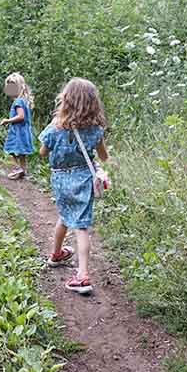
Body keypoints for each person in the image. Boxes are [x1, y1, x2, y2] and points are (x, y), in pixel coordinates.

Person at [38, 78, 109, 295]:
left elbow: (42, 152)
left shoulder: (54, 127)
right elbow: (104, 157)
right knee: (81, 226)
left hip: (60, 179)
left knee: (64, 215)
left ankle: (58, 255)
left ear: (66, 100)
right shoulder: (95, 130)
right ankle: (82, 274)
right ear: (92, 103)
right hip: (84, 179)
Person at [0, 73, 34, 180]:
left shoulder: (18, 102)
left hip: (18, 131)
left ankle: (17, 168)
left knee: (9, 150)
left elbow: (21, 116)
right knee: (22, 153)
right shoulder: (24, 100)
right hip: (24, 131)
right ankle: (23, 171)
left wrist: (7, 120)